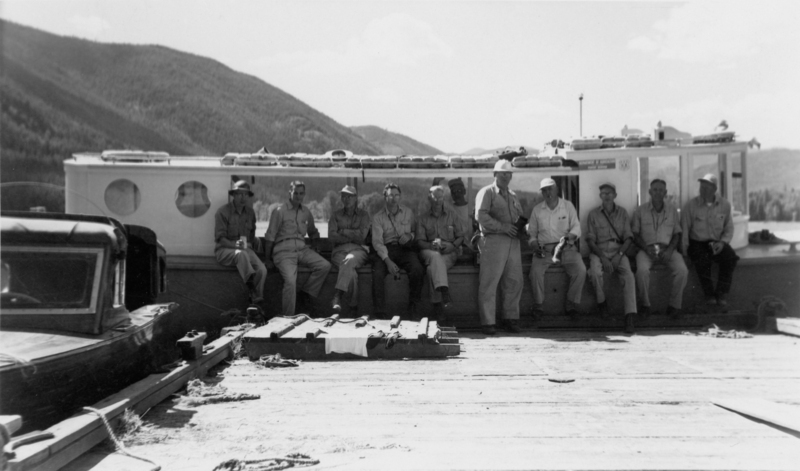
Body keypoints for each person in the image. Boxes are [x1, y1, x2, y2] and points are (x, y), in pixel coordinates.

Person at [263, 180, 331, 317]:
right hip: (283, 251)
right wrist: (267, 258)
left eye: (301, 193)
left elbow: (313, 232)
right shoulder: (279, 211)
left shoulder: (306, 212)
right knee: (290, 281)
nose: (298, 196)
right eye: (296, 193)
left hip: (302, 249)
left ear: (304, 194)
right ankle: (288, 318)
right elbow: (270, 236)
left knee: (325, 266)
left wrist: (316, 244)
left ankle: (305, 294)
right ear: (290, 193)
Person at [475, 160, 524, 334]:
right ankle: (488, 322)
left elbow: (518, 215)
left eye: (508, 173)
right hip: (494, 240)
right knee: (489, 282)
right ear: (495, 174)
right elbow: (480, 216)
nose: (506, 176)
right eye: (502, 173)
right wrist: (502, 227)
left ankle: (510, 319)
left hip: (513, 242)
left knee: (514, 281)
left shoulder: (512, 195)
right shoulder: (486, 192)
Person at [528, 177, 585, 318]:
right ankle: (538, 305)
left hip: (566, 248)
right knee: (535, 272)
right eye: (545, 190)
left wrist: (568, 238)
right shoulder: (537, 210)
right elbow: (532, 235)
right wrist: (535, 246)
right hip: (544, 250)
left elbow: (577, 228)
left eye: (550, 189)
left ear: (557, 189)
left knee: (581, 270)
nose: (548, 193)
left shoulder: (568, 206)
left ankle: (571, 305)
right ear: (542, 193)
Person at [681, 173, 739, 310]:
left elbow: (729, 228)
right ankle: (709, 296)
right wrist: (684, 253)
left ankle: (721, 293)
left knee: (730, 258)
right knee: (702, 262)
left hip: (716, 243)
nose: (703, 190)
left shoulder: (724, 205)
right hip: (697, 243)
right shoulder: (691, 206)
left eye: (706, 187)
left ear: (714, 189)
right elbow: (684, 231)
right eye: (701, 187)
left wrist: (723, 242)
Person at [632, 179, 688, 318]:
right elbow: (635, 234)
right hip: (646, 249)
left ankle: (674, 306)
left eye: (661, 190)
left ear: (666, 193)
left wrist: (670, 250)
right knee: (642, 271)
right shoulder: (640, 210)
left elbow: (677, 233)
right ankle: (645, 305)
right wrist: (646, 249)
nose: (658, 193)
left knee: (682, 270)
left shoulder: (672, 210)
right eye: (655, 190)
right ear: (650, 192)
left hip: (667, 249)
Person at [585, 183, 637, 333]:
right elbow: (590, 240)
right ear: (600, 196)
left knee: (629, 276)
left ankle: (629, 317)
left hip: (618, 251)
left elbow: (628, 238)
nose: (606, 196)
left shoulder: (623, 213)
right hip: (599, 251)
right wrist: (603, 258)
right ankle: (602, 303)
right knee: (594, 272)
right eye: (603, 193)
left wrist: (619, 255)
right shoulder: (593, 214)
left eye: (609, 193)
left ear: (615, 195)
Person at [371, 183, 424, 320]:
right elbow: (377, 243)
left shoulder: (408, 212)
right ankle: (380, 313)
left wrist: (410, 236)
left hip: (405, 249)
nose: (394, 198)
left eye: (397, 195)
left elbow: (414, 231)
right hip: (386, 250)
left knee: (417, 269)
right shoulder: (378, 217)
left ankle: (414, 308)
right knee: (377, 273)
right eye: (390, 195)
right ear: (385, 197)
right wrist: (388, 261)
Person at [214, 180, 267, 304]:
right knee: (241, 254)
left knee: (262, 270)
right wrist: (238, 245)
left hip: (244, 248)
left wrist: (256, 242)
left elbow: (251, 235)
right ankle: (252, 290)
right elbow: (220, 239)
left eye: (246, 195)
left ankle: (255, 302)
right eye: (239, 194)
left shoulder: (250, 213)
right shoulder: (222, 212)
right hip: (224, 250)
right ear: (234, 195)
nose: (243, 198)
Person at [417, 185, 464, 321]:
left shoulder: (452, 215)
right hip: (429, 252)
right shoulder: (423, 218)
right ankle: (444, 292)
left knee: (432, 270)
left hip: (448, 253)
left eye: (441, 197)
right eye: (435, 197)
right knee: (435, 257)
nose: (438, 201)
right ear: (429, 198)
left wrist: (453, 245)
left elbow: (461, 236)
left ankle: (438, 307)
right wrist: (430, 245)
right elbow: (419, 242)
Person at [328, 185, 370, 314]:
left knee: (350, 260)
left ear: (355, 198)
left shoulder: (364, 215)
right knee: (351, 271)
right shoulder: (335, 215)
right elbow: (332, 237)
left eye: (350, 196)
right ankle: (353, 307)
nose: (346, 199)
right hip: (339, 252)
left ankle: (338, 296)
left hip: (359, 251)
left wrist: (343, 231)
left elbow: (362, 235)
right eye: (344, 196)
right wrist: (353, 235)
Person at [447, 177, 476, 254]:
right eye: (454, 192)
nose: (457, 194)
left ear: (464, 191)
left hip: (471, 244)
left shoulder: (472, 208)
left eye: (459, 191)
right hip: (454, 244)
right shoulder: (448, 208)